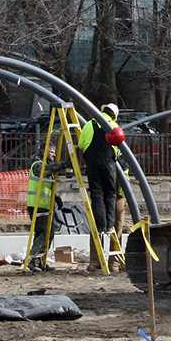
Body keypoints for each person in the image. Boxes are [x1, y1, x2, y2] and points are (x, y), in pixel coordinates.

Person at [78, 102, 120, 271]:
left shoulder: (89, 124)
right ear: (114, 115)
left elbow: (81, 144)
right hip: (109, 162)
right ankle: (109, 225)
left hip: (92, 162)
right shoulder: (114, 126)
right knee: (110, 193)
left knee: (96, 193)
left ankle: (101, 224)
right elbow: (118, 148)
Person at [26, 143, 62, 272]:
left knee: (49, 234)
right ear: (44, 151)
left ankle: (41, 261)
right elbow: (45, 170)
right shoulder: (37, 165)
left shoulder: (47, 167)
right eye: (52, 152)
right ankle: (33, 261)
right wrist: (62, 165)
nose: (54, 155)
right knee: (42, 233)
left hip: (44, 205)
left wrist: (56, 198)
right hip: (37, 205)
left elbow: (47, 184)